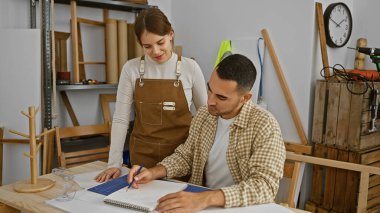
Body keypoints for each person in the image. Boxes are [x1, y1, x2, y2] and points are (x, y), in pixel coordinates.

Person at [127, 54, 286, 212]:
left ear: (245, 97)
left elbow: (265, 186)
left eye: (221, 97)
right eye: (210, 89)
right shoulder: (204, 115)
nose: (210, 101)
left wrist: (204, 199)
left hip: (240, 207)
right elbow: (186, 156)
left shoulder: (265, 125)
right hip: (201, 202)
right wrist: (153, 172)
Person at [96, 8, 207, 182]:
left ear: (170, 34)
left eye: (160, 42)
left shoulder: (190, 68)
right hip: (142, 159)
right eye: (147, 46)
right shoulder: (130, 69)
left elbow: (206, 116)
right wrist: (114, 163)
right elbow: (120, 119)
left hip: (181, 159)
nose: (155, 51)